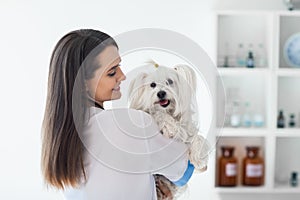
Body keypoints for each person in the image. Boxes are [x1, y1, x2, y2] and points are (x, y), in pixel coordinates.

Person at [41, 29, 194, 200]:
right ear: (83, 84)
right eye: (112, 72)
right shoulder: (132, 123)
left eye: (119, 67)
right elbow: (183, 170)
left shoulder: (61, 137)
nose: (122, 76)